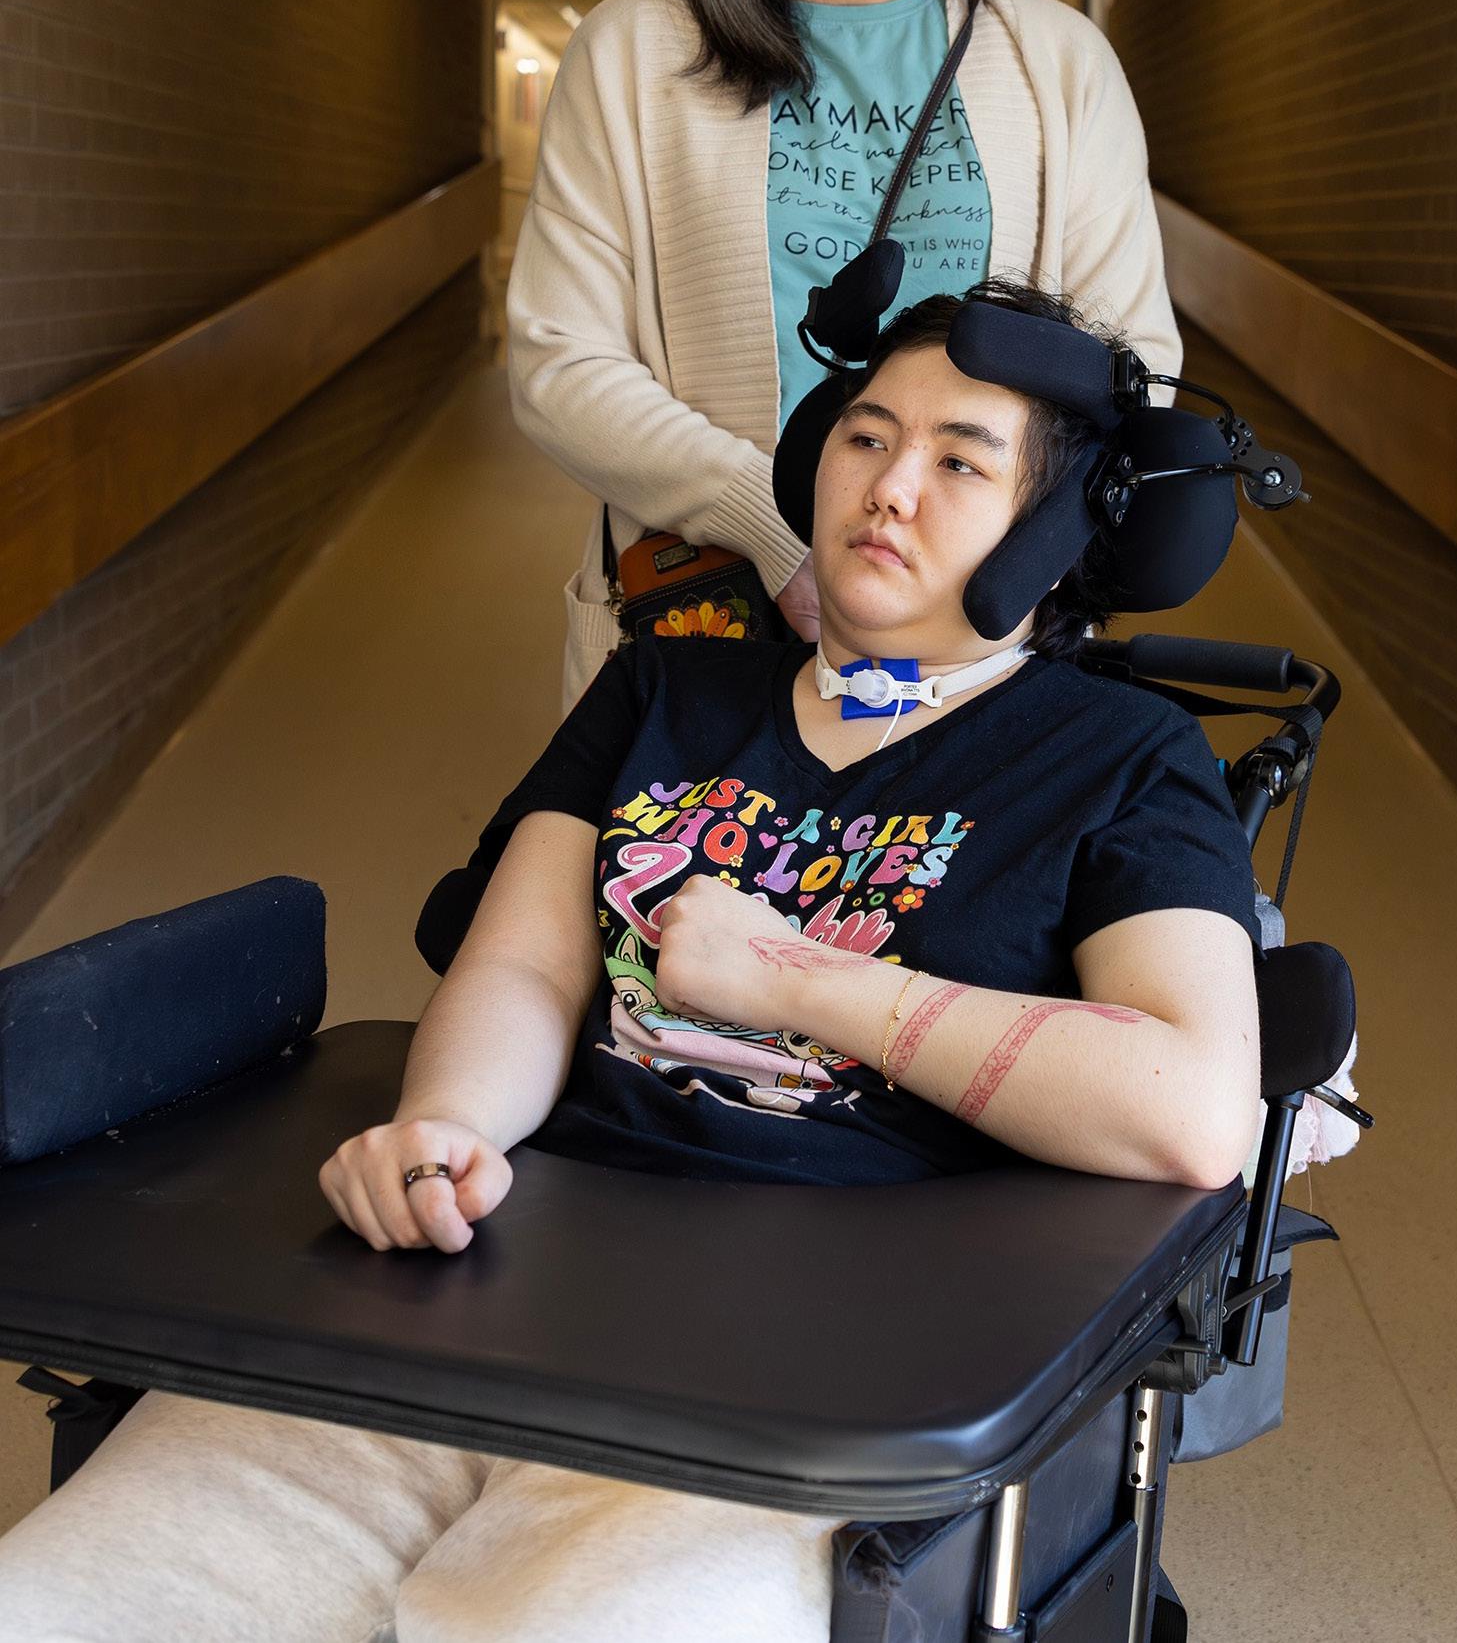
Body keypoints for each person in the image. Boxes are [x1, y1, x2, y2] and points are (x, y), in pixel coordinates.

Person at [0, 282, 1258, 1643]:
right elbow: (525, 973)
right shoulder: (666, 685)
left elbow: (1189, 1104)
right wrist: (444, 1130)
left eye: (959, 462)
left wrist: (796, 978)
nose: (888, 487)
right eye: (864, 436)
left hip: (808, 1367)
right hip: (503, 1273)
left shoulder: (1120, 757)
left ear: (1057, 531)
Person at [508, 0, 1182, 708]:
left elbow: (1134, 366)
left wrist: (1002, 575)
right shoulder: (633, 54)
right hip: (714, 614)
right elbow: (560, 361)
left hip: (987, 635)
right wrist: (778, 532)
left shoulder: (1056, 60)